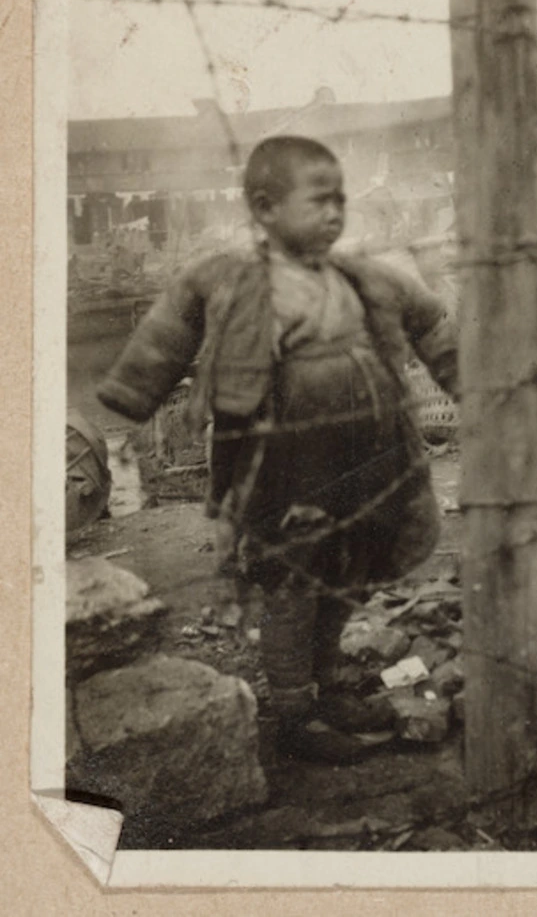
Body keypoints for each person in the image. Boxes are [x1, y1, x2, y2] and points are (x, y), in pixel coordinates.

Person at [97, 136, 458, 764]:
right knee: (293, 584)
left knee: (348, 573)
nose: (334, 213)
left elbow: (431, 322)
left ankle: (330, 685)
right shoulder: (222, 280)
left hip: (372, 462)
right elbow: (163, 338)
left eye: (340, 200)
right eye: (319, 201)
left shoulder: (364, 275)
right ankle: (295, 713)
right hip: (282, 469)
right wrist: (129, 400)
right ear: (264, 208)